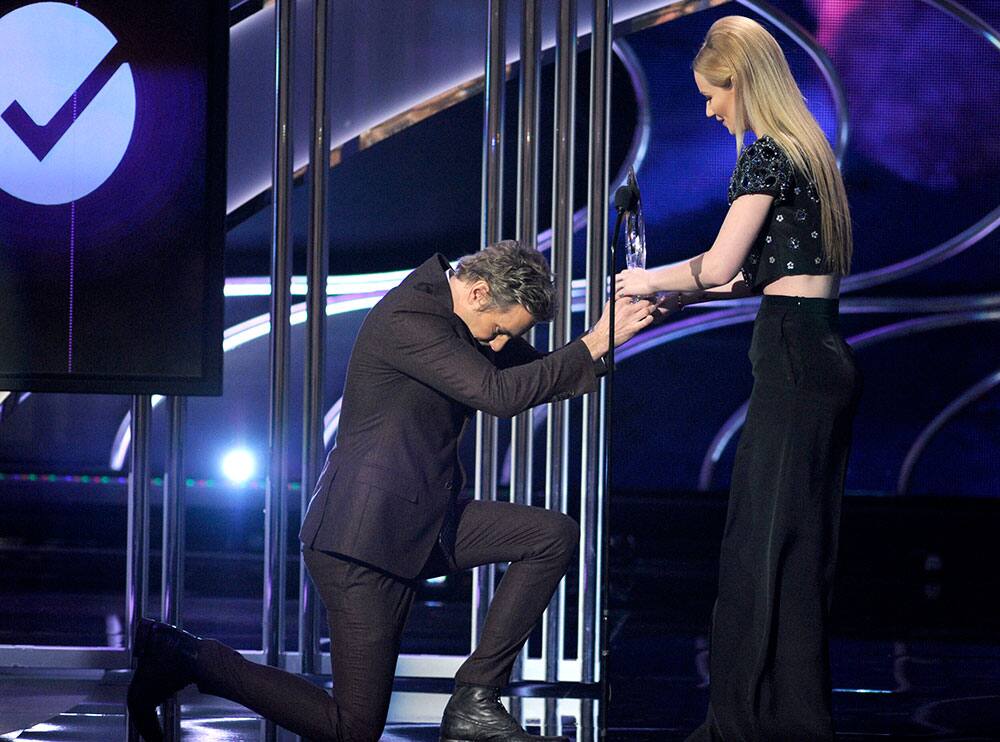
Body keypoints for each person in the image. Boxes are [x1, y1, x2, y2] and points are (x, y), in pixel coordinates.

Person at [128, 240, 655, 742]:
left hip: (424, 522)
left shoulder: (460, 317)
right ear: (476, 292)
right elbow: (498, 394)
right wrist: (593, 341)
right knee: (352, 729)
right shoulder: (411, 318)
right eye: (498, 331)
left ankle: (475, 697)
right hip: (363, 543)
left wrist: (614, 336)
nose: (500, 346)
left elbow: (537, 373)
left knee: (550, 535)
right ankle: (185, 656)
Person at [616, 16, 861, 741]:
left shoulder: (764, 158)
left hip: (791, 357)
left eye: (712, 94)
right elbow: (757, 275)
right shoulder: (810, 154)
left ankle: (740, 725)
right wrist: (670, 294)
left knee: (757, 550)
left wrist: (641, 279)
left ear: (742, 82)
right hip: (821, 352)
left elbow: (721, 266)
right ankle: (794, 721)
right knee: (797, 551)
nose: (710, 110)